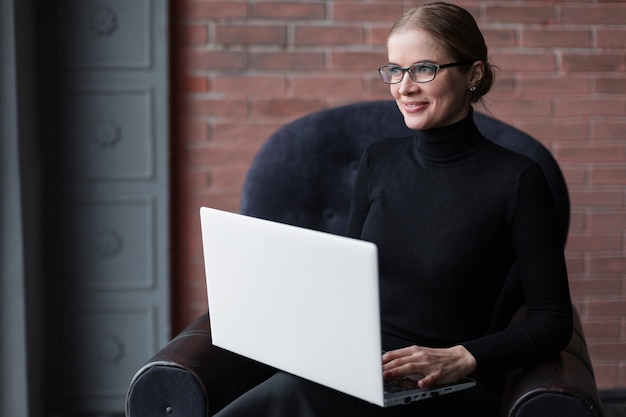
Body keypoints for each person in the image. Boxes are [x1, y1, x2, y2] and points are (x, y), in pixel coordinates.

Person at [214, 2, 573, 416]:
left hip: (442, 386)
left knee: (285, 398)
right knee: (285, 389)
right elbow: (347, 285)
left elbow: (552, 320)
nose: (404, 87)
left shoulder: (518, 180)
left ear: (473, 74)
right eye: (394, 70)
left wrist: (462, 357)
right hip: (358, 370)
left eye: (424, 69)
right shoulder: (378, 161)